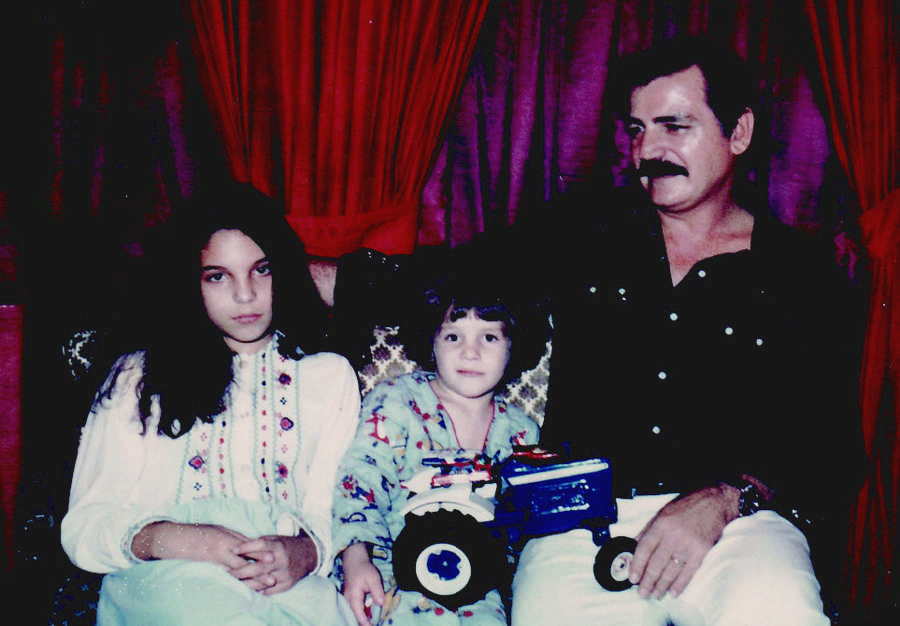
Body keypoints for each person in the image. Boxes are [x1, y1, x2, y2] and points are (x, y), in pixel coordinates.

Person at [320, 36, 867, 625]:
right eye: (636, 130)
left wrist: (726, 499)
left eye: (674, 126)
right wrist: (305, 276)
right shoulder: (588, 232)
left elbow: (830, 449)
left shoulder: (800, 273)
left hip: (736, 528)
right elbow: (456, 276)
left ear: (738, 132)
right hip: (579, 524)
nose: (648, 150)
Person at [60, 181, 360, 625]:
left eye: (261, 270)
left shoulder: (330, 376)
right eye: (218, 276)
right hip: (170, 582)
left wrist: (304, 552)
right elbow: (84, 528)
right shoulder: (137, 376)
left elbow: (334, 511)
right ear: (190, 282)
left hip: (288, 586)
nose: (245, 295)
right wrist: (178, 539)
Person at [332, 266, 549, 626]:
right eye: (453, 336)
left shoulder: (522, 434)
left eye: (489, 337)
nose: (469, 352)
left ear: (514, 345)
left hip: (480, 586)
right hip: (387, 572)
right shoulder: (397, 401)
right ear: (432, 342)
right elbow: (360, 483)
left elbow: (525, 526)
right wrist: (356, 557)